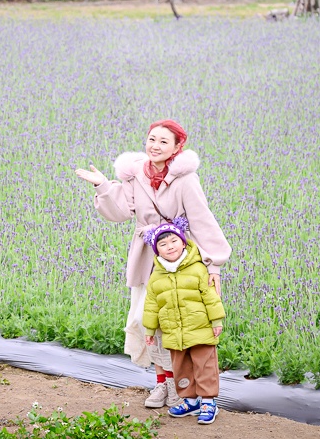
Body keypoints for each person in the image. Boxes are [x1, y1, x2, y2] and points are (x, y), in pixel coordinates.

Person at [75, 119, 231, 408]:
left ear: (176, 148)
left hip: (179, 260)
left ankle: (177, 386)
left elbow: (202, 221)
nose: (155, 146)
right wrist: (103, 187)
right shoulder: (136, 175)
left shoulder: (185, 180)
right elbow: (121, 211)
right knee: (148, 320)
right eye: (151, 139)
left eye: (163, 141)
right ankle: (163, 384)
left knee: (175, 323)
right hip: (148, 257)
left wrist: (213, 265)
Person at [142, 218, 225, 424]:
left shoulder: (197, 268)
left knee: (205, 366)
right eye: (163, 244)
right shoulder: (156, 275)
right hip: (174, 332)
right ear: (157, 250)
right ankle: (190, 400)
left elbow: (211, 297)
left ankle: (208, 401)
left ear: (183, 242)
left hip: (200, 329)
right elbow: (151, 304)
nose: (169, 247)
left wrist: (216, 321)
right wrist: (149, 330)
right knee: (182, 368)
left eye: (173, 241)